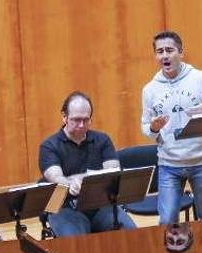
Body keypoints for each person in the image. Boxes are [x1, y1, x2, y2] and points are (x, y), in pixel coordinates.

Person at [141, 31, 202, 224]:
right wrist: (153, 127)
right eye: (160, 52)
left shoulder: (201, 78)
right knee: (168, 220)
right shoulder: (149, 89)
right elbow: (146, 128)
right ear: (155, 56)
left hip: (201, 161)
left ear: (181, 52)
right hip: (169, 165)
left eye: (169, 50)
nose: (164, 56)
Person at [40, 91, 136, 237]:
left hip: (100, 205)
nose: (81, 125)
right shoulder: (49, 146)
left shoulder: (102, 140)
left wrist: (80, 180)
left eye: (86, 120)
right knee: (76, 244)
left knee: (129, 233)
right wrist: (71, 182)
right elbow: (56, 177)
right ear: (64, 117)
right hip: (65, 207)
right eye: (76, 120)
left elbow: (113, 171)